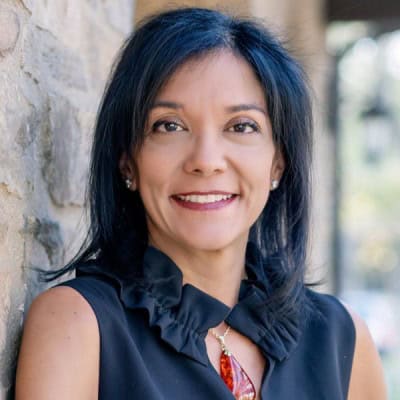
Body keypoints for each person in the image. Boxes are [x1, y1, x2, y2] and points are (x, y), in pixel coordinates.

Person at [15, 7, 386, 400]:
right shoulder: (77, 324)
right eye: (169, 126)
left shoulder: (343, 339)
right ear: (128, 161)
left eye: (241, 126)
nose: (206, 160)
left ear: (278, 162)